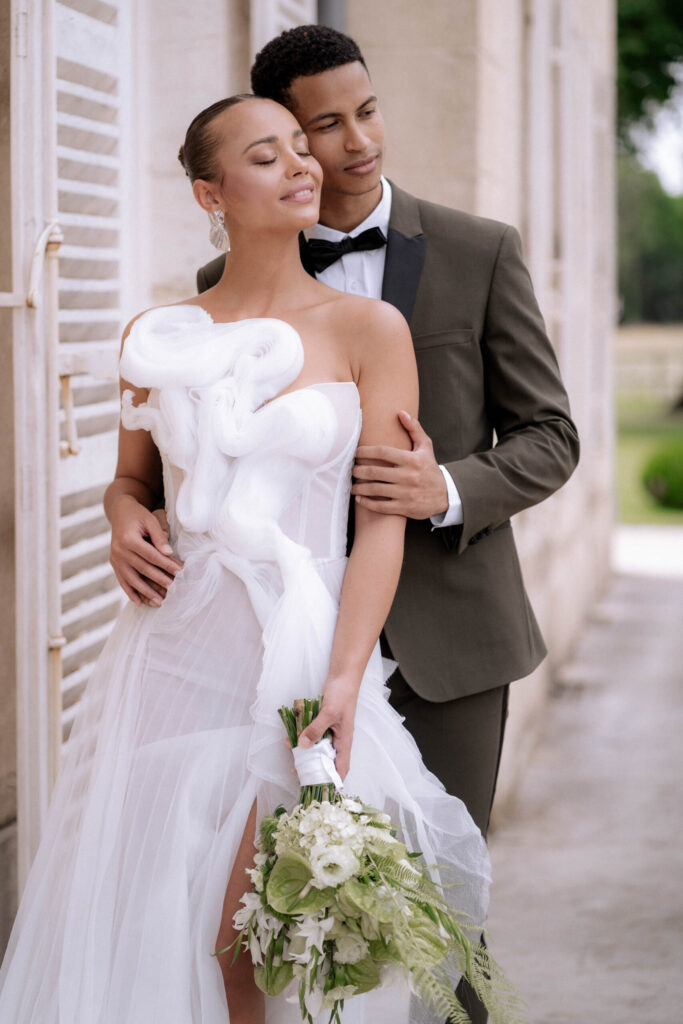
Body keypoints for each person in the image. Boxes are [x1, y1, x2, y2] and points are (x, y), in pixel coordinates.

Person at [0, 95, 491, 1024]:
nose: (304, 165)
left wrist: (344, 680)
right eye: (268, 157)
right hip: (170, 656)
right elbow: (131, 481)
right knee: (171, 922)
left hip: (299, 657)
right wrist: (119, 519)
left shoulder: (368, 330)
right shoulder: (158, 337)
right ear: (207, 192)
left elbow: (380, 522)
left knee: (264, 945)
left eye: (300, 150)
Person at [191, 27, 580, 1024]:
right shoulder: (217, 295)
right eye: (323, 124)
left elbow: (549, 435)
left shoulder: (476, 249)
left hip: (449, 638)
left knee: (441, 923)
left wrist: (442, 488)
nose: (357, 141)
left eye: (365, 110)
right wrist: (126, 511)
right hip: (283, 647)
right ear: (285, 133)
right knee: (292, 920)